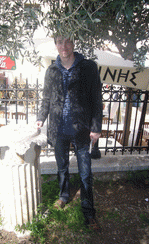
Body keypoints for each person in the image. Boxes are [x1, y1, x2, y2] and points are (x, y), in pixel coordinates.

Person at [36, 36, 102, 230]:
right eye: (59, 42)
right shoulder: (52, 70)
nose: (63, 47)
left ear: (73, 43)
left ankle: (88, 210)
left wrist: (96, 126)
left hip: (82, 130)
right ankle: (64, 196)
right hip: (59, 130)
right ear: (55, 45)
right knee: (62, 167)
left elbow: (96, 98)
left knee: (85, 173)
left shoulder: (88, 67)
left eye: (67, 42)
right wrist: (41, 117)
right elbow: (46, 98)